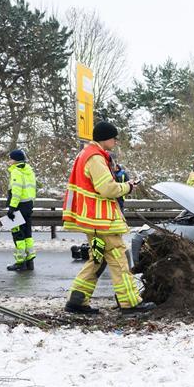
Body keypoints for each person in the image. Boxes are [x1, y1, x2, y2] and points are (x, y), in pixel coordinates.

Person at [62, 121, 156, 314]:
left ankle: (76, 300)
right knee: (118, 258)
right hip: (102, 222)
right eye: (114, 138)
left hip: (92, 221)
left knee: (97, 259)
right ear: (105, 138)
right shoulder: (95, 157)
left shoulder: (85, 154)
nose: (115, 141)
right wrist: (127, 187)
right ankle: (130, 303)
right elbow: (107, 189)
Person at [5, 149, 37, 271]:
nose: (9, 161)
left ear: (14, 160)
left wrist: (12, 208)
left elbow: (16, 192)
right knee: (27, 234)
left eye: (10, 159)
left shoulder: (16, 172)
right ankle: (30, 261)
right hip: (28, 205)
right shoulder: (29, 170)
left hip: (18, 206)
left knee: (18, 234)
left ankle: (20, 262)